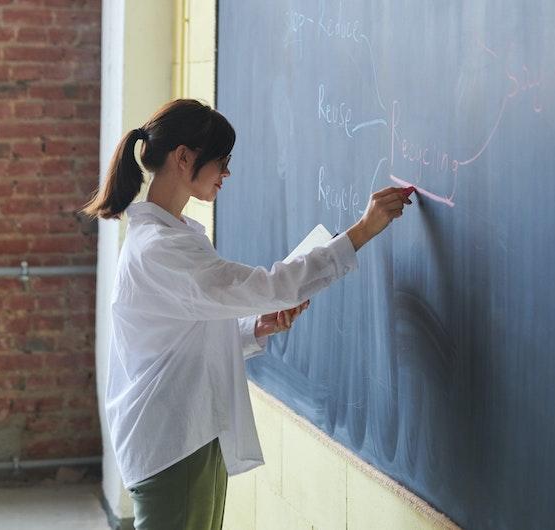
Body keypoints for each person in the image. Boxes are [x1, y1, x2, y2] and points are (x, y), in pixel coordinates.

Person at [81, 99, 413, 529]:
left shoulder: (170, 237)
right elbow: (268, 286)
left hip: (186, 436)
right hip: (174, 442)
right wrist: (362, 231)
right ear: (184, 158)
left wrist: (255, 326)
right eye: (222, 161)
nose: (227, 174)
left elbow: (185, 338)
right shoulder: (163, 249)